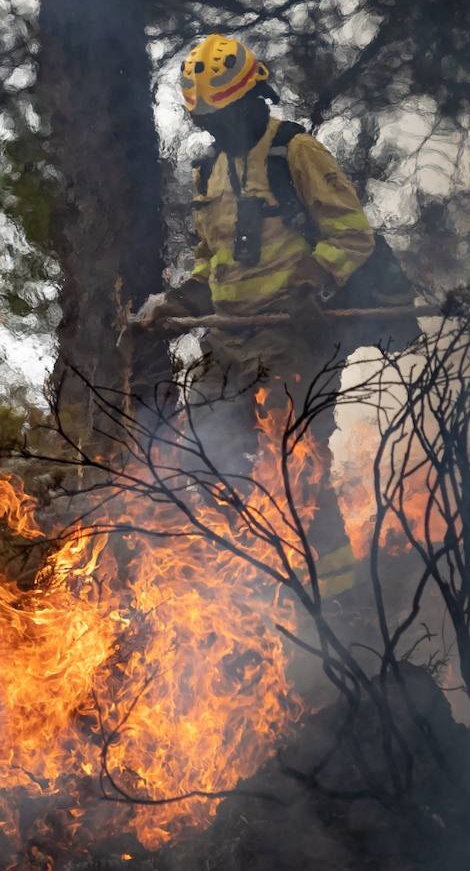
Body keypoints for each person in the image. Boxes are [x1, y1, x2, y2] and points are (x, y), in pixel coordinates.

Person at [137, 33, 379, 595]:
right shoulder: (209, 171)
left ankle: (341, 601)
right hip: (230, 343)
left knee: (299, 467)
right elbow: (215, 263)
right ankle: (249, 582)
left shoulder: (294, 151)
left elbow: (352, 234)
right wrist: (180, 302)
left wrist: (310, 284)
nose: (216, 132)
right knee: (202, 450)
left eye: (224, 118)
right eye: (208, 124)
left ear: (252, 98)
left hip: (292, 337)